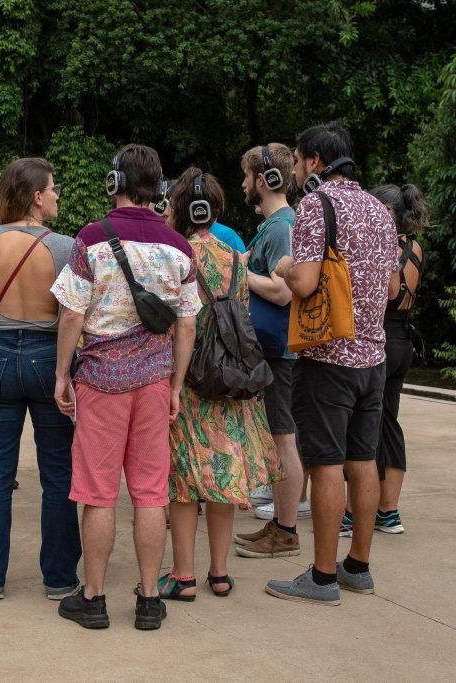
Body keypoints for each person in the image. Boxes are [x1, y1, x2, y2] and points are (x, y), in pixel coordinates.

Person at [51, 144, 198, 630]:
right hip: (155, 383)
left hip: (99, 382)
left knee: (98, 494)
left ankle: (93, 599)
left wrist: (60, 375)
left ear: (114, 183)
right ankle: (150, 599)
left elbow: (72, 313)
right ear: (158, 189)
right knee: (151, 493)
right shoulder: (180, 246)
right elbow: (186, 326)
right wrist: (176, 384)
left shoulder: (91, 239)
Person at [266, 122, 399, 605]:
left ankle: (321, 577)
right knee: (362, 460)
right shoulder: (381, 212)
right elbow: (389, 290)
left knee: (324, 464)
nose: (297, 171)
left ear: (316, 161)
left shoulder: (316, 207)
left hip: (327, 358)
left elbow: (301, 284)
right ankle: (357, 567)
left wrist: (282, 267)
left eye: (300, 161)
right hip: (374, 358)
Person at [156, 168, 280, 601]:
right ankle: (221, 573)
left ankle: (184, 575)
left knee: (185, 481)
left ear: (180, 208)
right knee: (222, 474)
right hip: (229, 381)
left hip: (186, 381)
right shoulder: (235, 258)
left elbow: (173, 324)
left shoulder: (173, 257)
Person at [0, 158, 81, 600]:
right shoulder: (67, 247)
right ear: (35, 196)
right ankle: (60, 578)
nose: (56, 196)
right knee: (57, 471)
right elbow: (74, 314)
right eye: (52, 189)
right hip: (49, 356)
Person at [233, 143, 309, 559]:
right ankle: (280, 524)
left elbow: (282, 291)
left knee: (284, 440)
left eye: (248, 176)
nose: (244, 184)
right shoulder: (273, 226)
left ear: (266, 179)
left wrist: (239, 273)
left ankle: (286, 531)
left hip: (279, 352)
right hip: (272, 351)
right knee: (280, 439)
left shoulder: (281, 228)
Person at [352, 183, 427, 535]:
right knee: (389, 424)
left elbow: (380, 294)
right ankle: (388, 512)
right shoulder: (415, 248)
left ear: (385, 210)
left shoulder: (380, 246)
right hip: (404, 343)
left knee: (363, 426)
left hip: (379, 338)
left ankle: (353, 512)